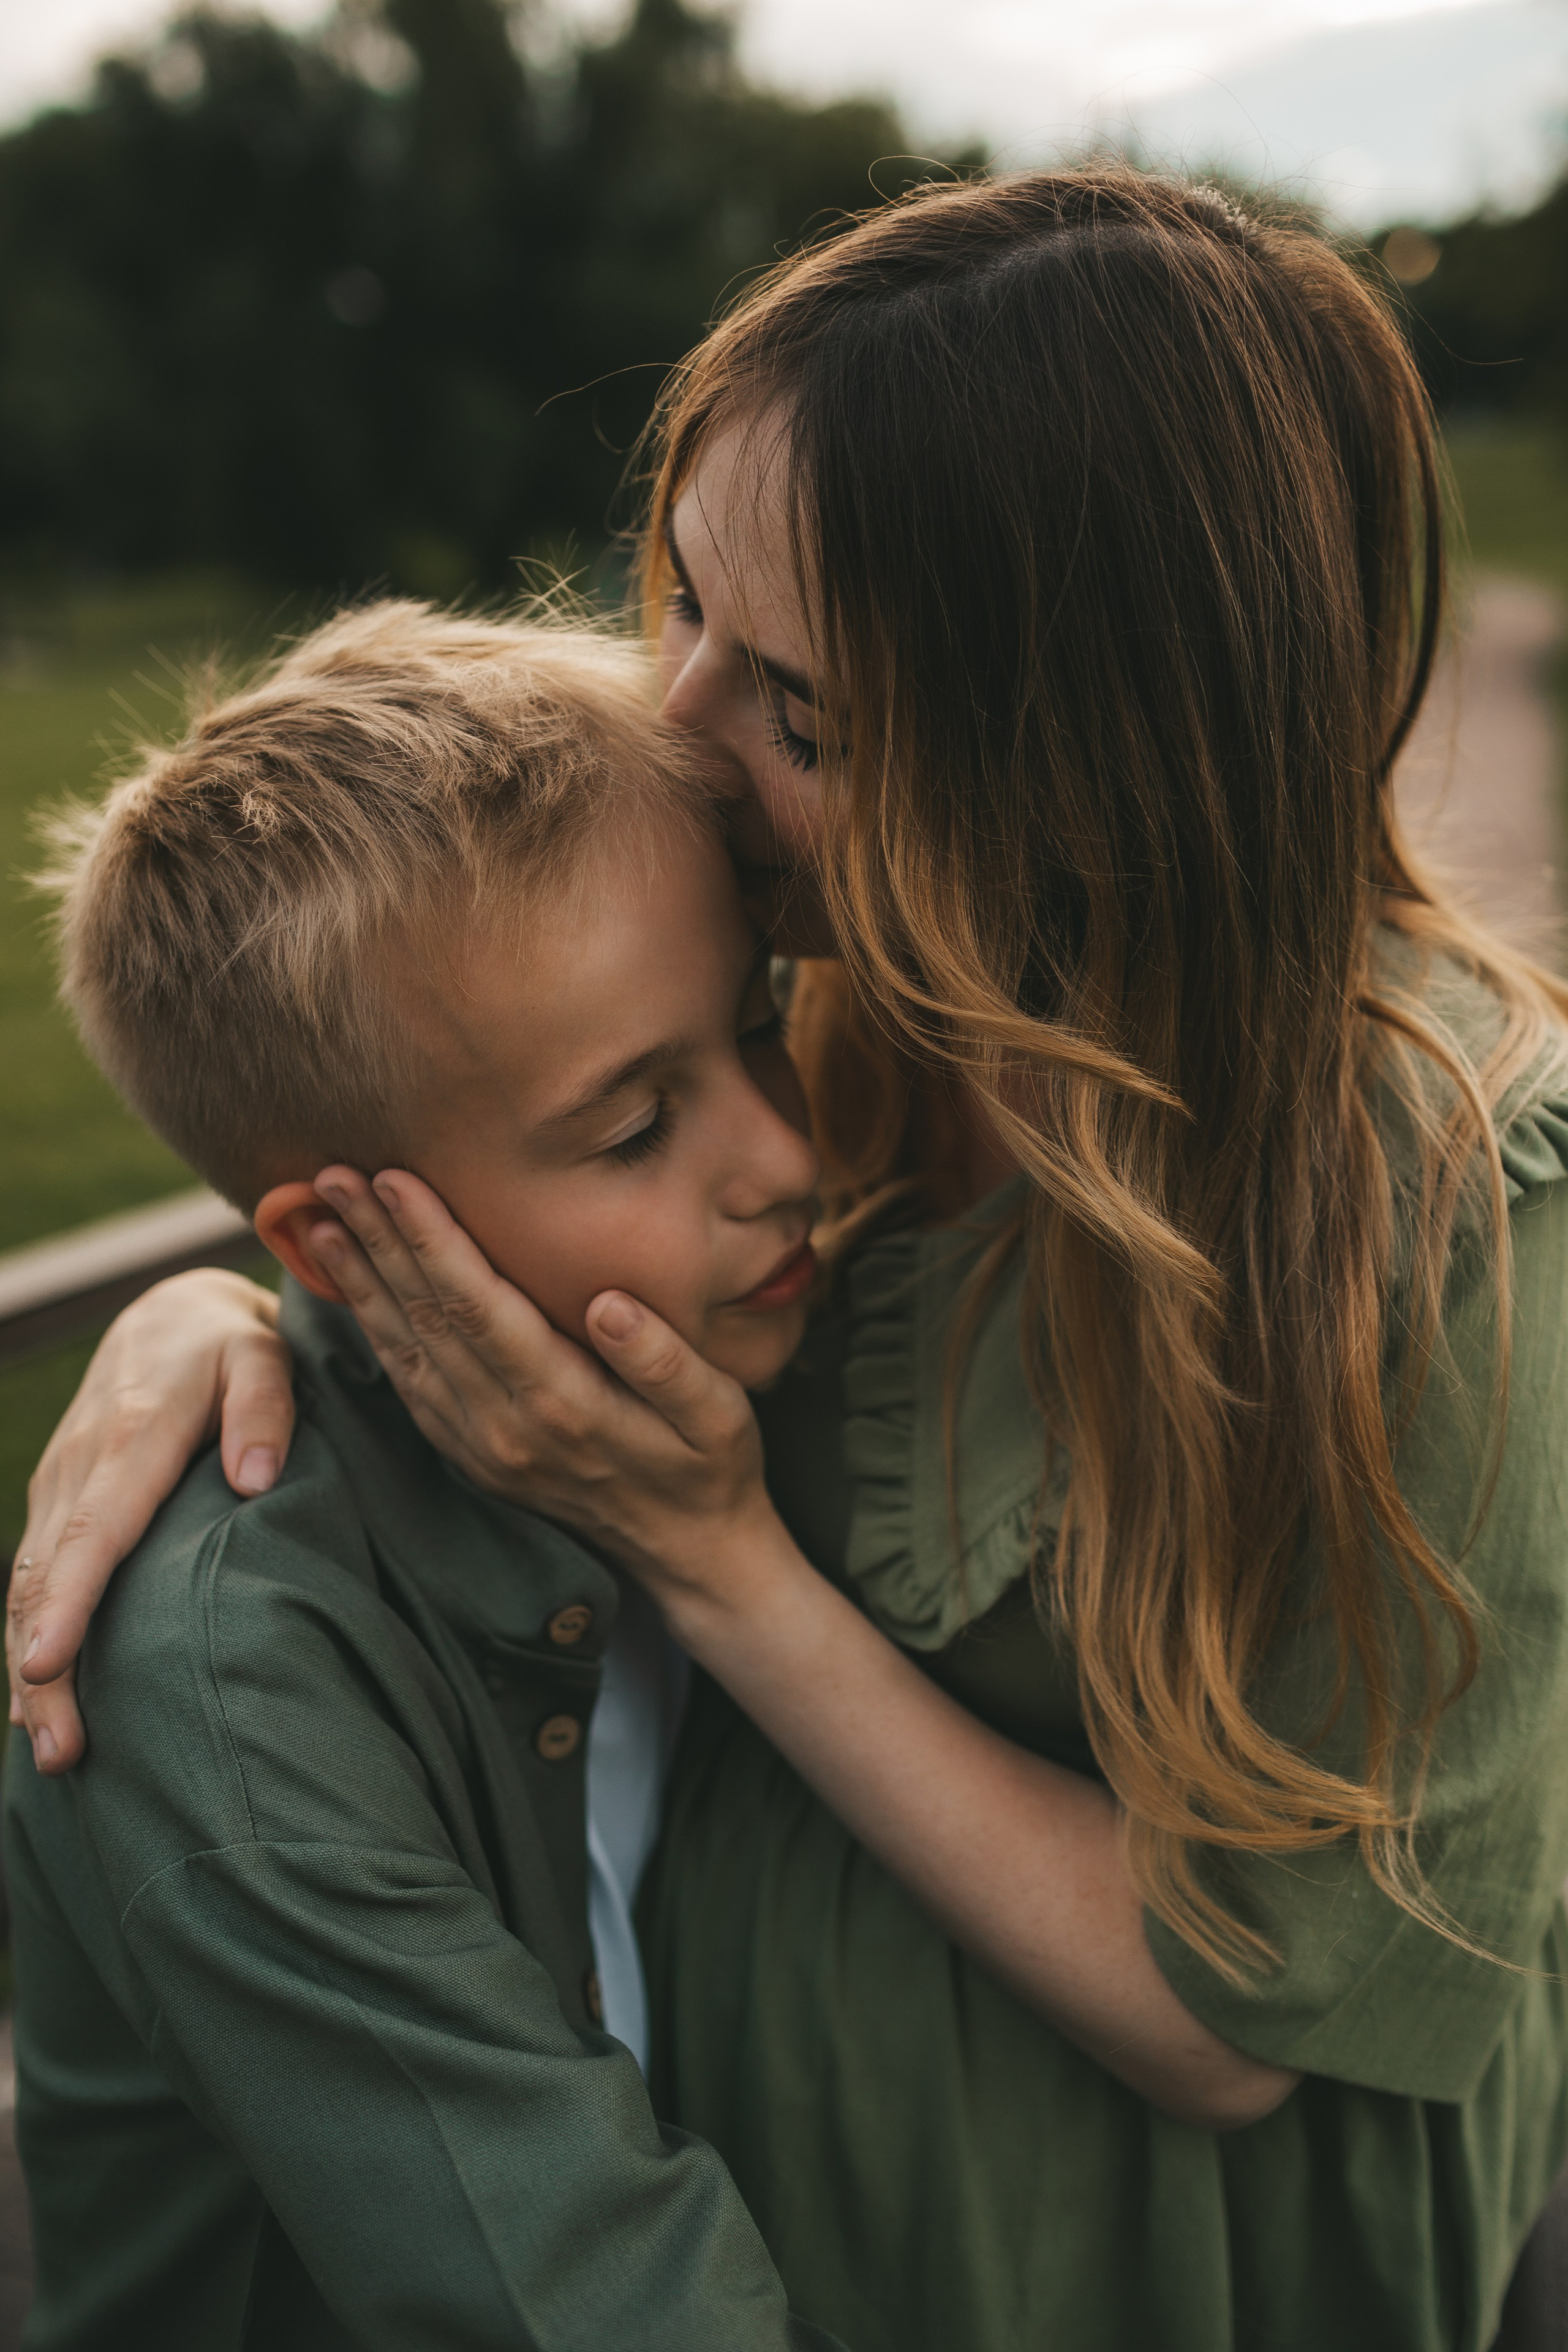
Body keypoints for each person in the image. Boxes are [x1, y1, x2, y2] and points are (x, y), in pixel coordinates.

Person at [14, 168, 1568, 2352]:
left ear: (1092, 754)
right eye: (683, 613)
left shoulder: (1441, 1216)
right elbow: (473, 1118)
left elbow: (1250, 2012)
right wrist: (224, 1321)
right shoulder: (851, 975)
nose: (677, 736)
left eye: (803, 713)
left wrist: (721, 1556)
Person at [4, 601, 840, 2350]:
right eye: (632, 1126)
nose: (784, 1154)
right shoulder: (229, 1695)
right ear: (341, 1241)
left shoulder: (736, 1353)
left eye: (759, 1022)